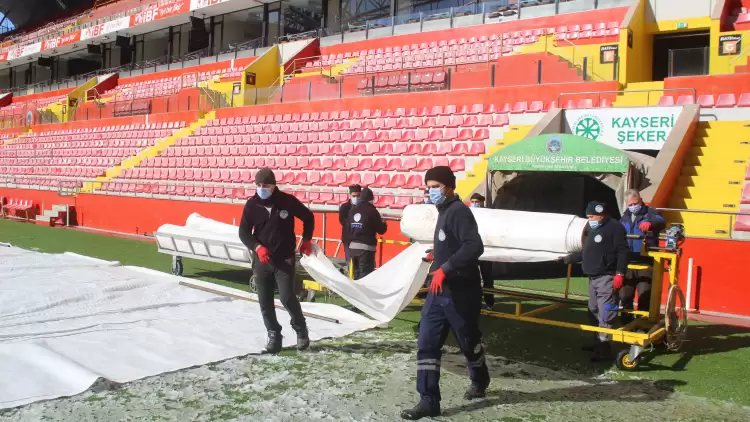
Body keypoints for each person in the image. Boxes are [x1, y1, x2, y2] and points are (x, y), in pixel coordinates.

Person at [402, 166, 490, 420]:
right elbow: (451, 244)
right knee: (426, 344)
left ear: (449, 187)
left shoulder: (459, 212)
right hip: (438, 293)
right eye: (428, 185)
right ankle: (428, 400)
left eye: (436, 185)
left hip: (461, 292)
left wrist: (446, 268)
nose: (431, 191)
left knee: (468, 341)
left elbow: (475, 246)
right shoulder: (442, 211)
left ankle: (480, 378)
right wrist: (436, 256)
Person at [238, 168, 315, 353]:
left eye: (265, 185)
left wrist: (306, 239)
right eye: (258, 185)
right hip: (262, 260)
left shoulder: (286, 201)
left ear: (273, 185)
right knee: (265, 301)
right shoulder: (252, 205)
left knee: (287, 297)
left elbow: (308, 217)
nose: (261, 188)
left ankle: (301, 330)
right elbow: (243, 232)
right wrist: (257, 247)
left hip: (284, 259)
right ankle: (274, 334)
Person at [562, 201, 629, 361]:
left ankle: (604, 348)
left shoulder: (615, 228)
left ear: (601, 215)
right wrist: (570, 258)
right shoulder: (593, 229)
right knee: (593, 309)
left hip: (607, 276)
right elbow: (587, 251)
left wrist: (620, 273)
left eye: (591, 216)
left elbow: (623, 251)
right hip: (593, 277)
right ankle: (597, 341)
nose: (589, 219)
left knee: (606, 312)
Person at [619, 189, 665, 325]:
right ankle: (626, 325)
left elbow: (661, 221)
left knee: (645, 296)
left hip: (646, 263)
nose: (633, 206)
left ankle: (642, 325)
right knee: (625, 296)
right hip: (628, 262)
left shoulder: (651, 212)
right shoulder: (625, 216)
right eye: (630, 204)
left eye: (635, 203)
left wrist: (651, 224)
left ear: (640, 199)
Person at [347, 187, 387, 279]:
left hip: (353, 247)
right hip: (366, 248)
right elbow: (381, 230)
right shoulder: (372, 211)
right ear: (371, 199)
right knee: (365, 276)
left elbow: (348, 228)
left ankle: (355, 293)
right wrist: (384, 224)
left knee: (356, 275)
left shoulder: (352, 210)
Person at [469, 193, 495, 310]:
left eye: (477, 202)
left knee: (487, 278)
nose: (474, 204)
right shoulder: (468, 214)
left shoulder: (488, 214)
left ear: (482, 202)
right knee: (472, 278)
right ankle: (475, 301)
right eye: (473, 202)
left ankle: (489, 302)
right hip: (473, 250)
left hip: (486, 250)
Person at [339, 185, 361, 266]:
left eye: (358, 196)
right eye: (354, 196)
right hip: (348, 238)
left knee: (359, 264)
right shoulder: (344, 207)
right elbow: (343, 221)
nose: (356, 198)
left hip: (360, 239)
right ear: (350, 196)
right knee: (350, 262)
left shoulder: (364, 207)